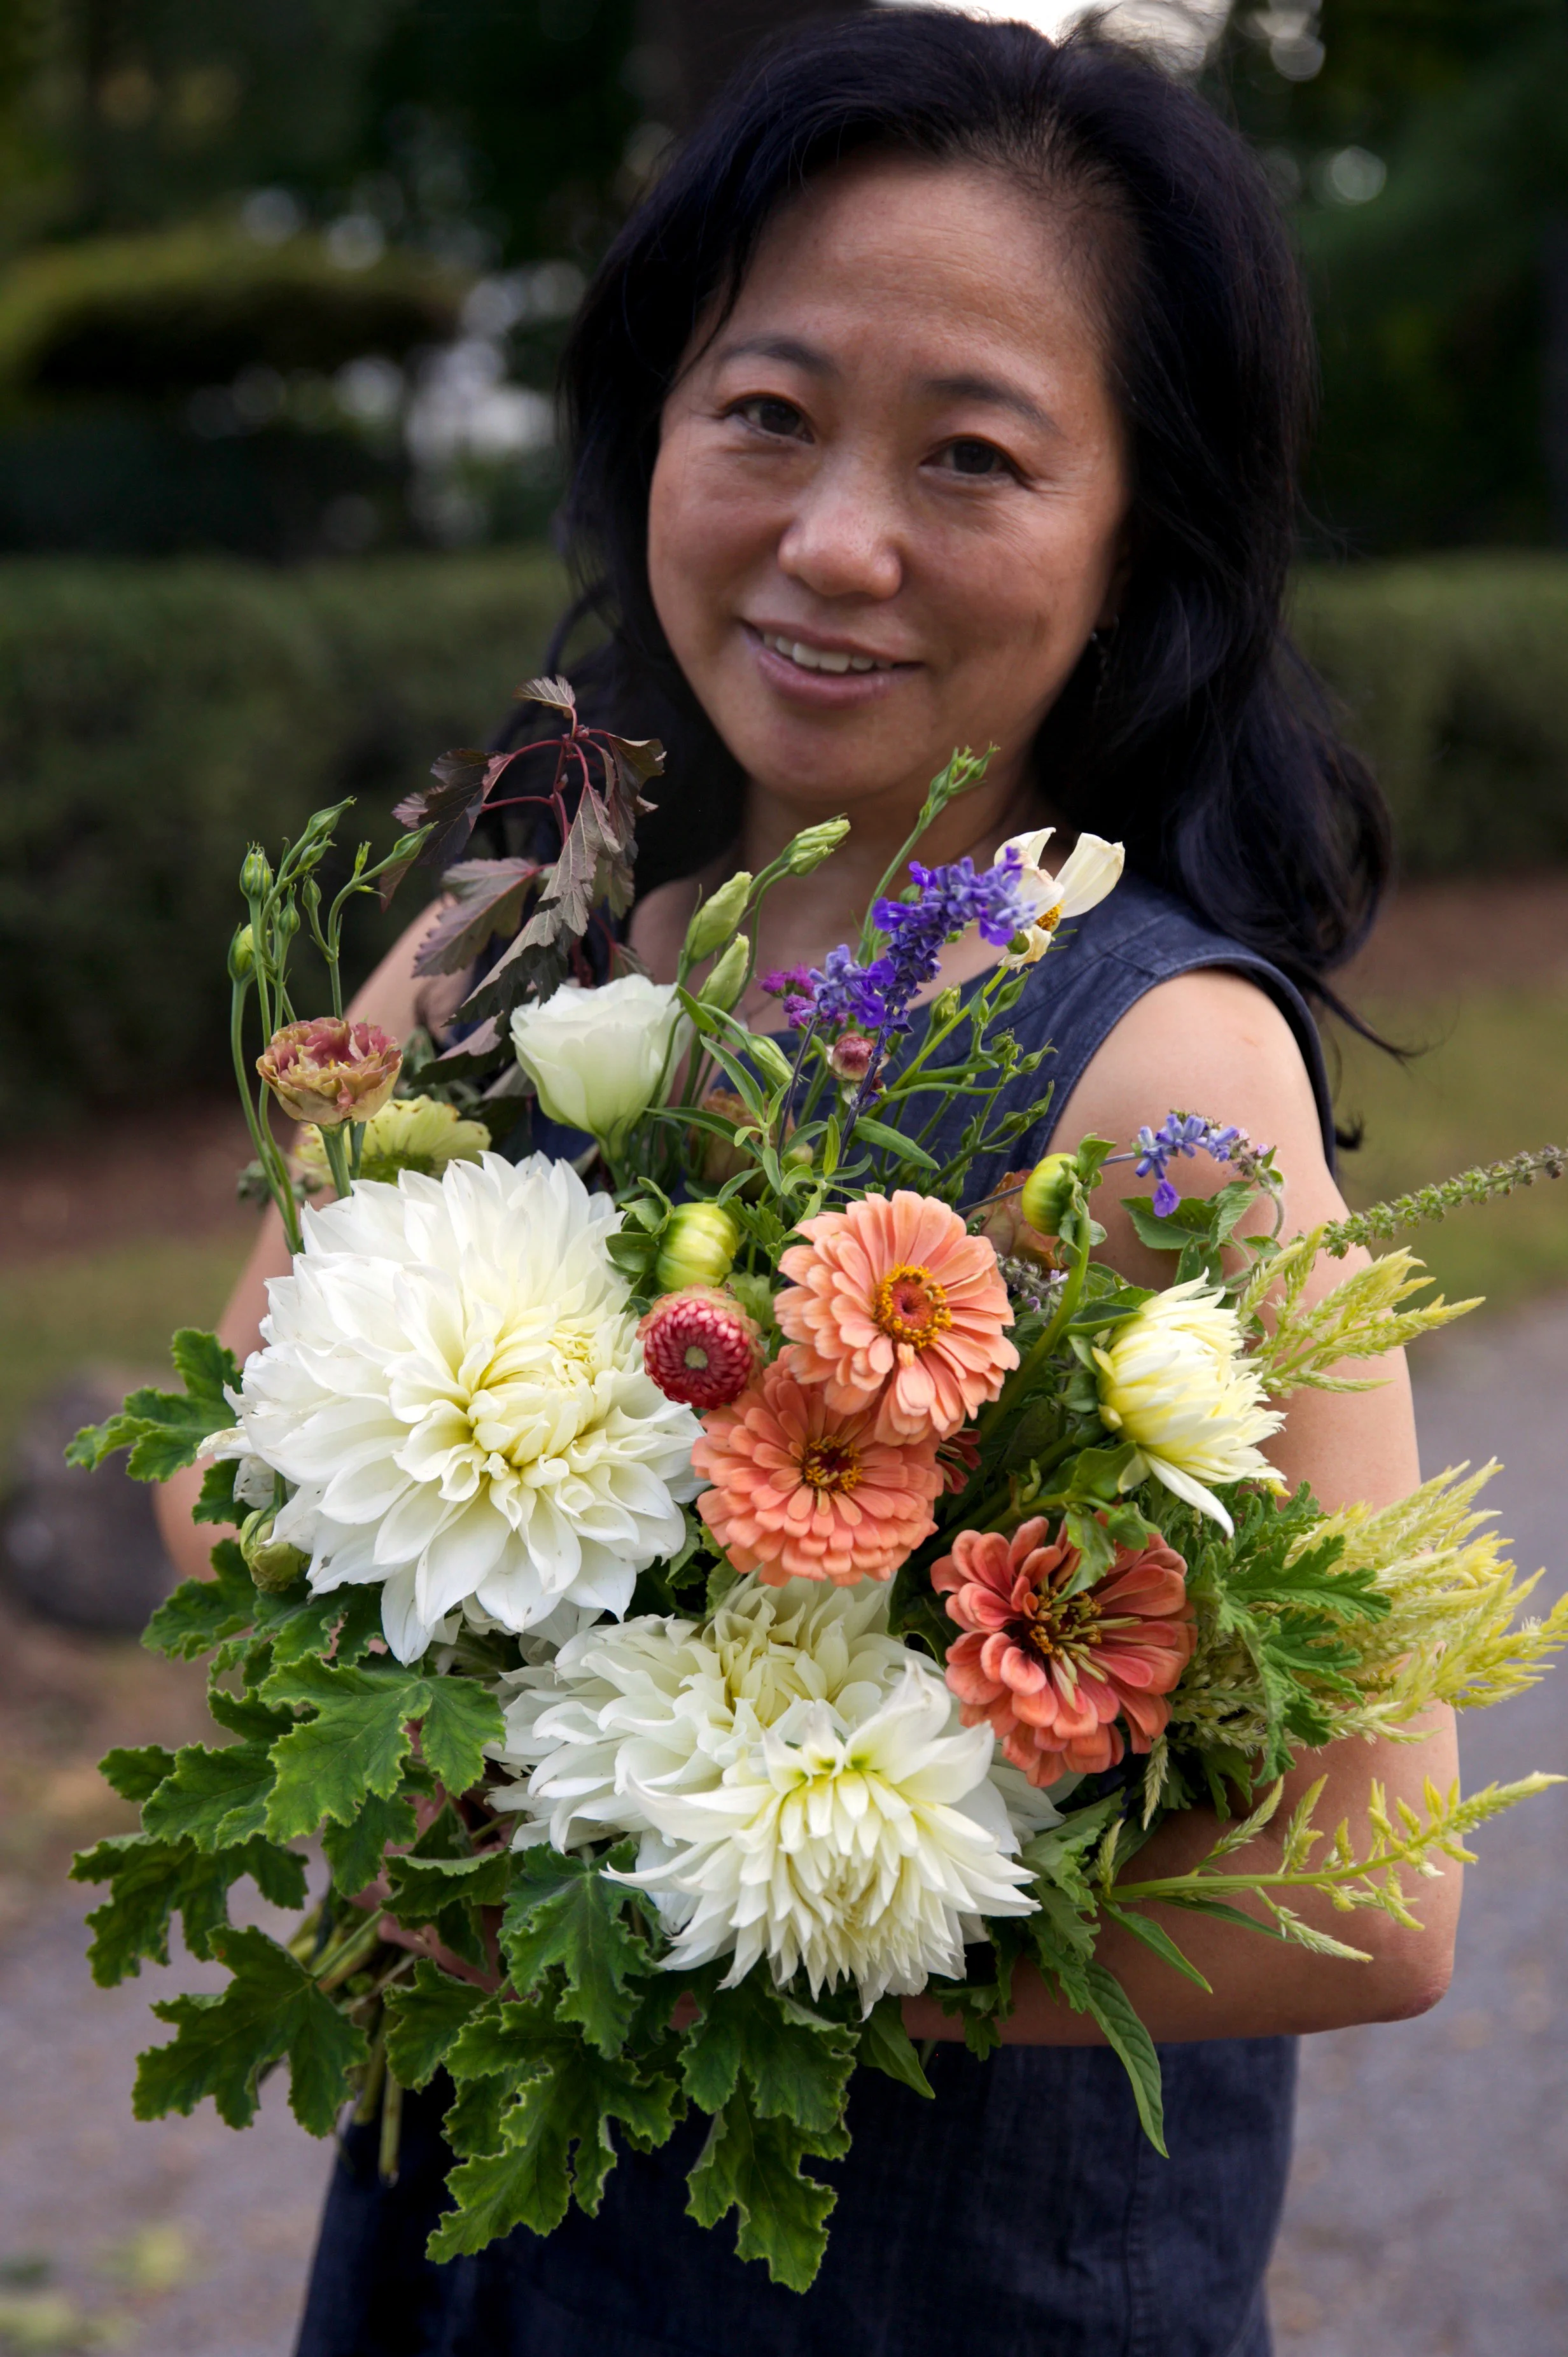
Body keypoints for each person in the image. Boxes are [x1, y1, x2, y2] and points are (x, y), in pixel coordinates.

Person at [158, 13, 1459, 2353]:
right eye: (765, 413)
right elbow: (213, 1484)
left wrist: (700, 1926)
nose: (832, 541)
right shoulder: (487, 942)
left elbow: (1369, 1894)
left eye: (970, 455)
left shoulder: (1155, 1068)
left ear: (1135, 523)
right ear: (656, 421)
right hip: (474, 2267)